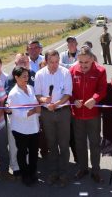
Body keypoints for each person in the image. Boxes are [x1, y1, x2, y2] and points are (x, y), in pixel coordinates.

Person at [34, 50, 73, 187]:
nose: (55, 65)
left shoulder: (65, 72)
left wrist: (56, 104)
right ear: (46, 61)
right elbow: (37, 95)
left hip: (63, 112)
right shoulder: (40, 74)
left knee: (63, 144)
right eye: (52, 62)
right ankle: (53, 172)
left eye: (57, 61)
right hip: (47, 113)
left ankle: (64, 174)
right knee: (51, 144)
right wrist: (43, 99)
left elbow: (68, 94)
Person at [70, 47, 107, 183]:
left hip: (93, 115)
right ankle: (83, 168)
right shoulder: (72, 71)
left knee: (94, 143)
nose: (83, 65)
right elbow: (68, 90)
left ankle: (96, 170)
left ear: (92, 59)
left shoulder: (100, 71)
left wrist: (95, 99)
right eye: (81, 62)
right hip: (77, 114)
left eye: (86, 62)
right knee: (79, 143)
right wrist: (73, 100)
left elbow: (102, 90)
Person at [7, 66, 42, 187]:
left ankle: (32, 172)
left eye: (27, 76)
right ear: (16, 77)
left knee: (33, 152)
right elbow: (17, 114)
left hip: (34, 127)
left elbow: (36, 105)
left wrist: (37, 109)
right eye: (23, 76)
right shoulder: (13, 94)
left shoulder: (31, 88)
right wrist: (34, 110)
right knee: (22, 152)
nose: (26, 79)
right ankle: (25, 175)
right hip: (20, 129)